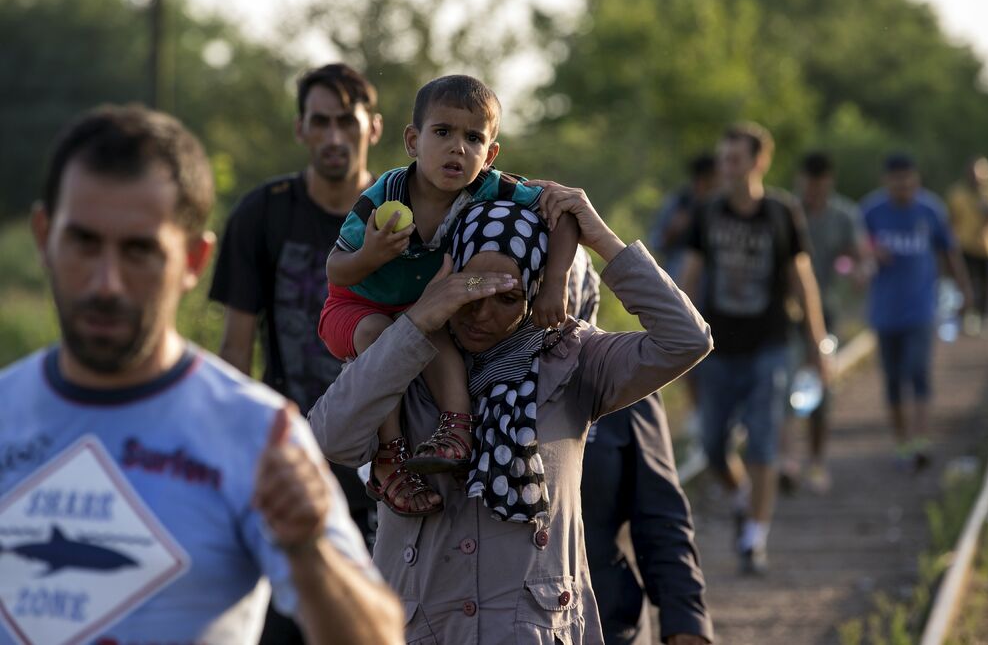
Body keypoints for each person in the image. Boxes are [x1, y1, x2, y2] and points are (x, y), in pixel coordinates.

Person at [0, 104, 402, 644]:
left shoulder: (258, 434)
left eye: (139, 250)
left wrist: (311, 553)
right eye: (83, 243)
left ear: (193, 259)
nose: (106, 283)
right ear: (44, 237)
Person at [308, 183, 712, 643]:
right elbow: (328, 440)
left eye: (507, 298)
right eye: (469, 291)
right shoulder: (402, 355)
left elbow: (686, 340)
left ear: (536, 291)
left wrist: (600, 238)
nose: (482, 314)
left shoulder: (572, 360)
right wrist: (418, 322)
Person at [319, 75, 578, 517]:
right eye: (442, 132)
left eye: (473, 138)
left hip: (423, 309)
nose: (457, 148)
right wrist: (371, 254)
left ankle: (457, 430)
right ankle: (389, 459)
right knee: (385, 334)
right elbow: (335, 269)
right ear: (413, 141)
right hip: (356, 307)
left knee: (433, 334)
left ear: (490, 154)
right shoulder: (384, 197)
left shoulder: (491, 187)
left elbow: (566, 214)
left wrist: (555, 284)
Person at [209, 63, 380, 535]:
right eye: (320, 122)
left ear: (374, 128)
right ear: (300, 129)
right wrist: (230, 456)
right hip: (288, 464)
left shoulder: (402, 211)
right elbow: (235, 350)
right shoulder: (263, 212)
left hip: (386, 469)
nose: (334, 137)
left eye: (347, 122)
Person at [680, 122, 828, 575]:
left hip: (770, 343)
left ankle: (754, 538)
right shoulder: (709, 211)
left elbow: (801, 279)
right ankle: (743, 497)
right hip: (718, 347)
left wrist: (817, 343)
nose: (727, 167)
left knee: (764, 438)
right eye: (723, 159)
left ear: (759, 161)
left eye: (735, 159)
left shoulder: (781, 212)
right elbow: (690, 275)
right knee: (712, 444)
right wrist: (677, 331)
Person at [571, 250, 713, 644]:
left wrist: (685, 619)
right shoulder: (465, 386)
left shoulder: (618, 378)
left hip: (606, 618)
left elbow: (659, 512)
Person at [861, 153, 973, 469]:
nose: (904, 187)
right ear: (887, 181)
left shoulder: (930, 210)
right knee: (893, 380)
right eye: (897, 181)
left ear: (916, 179)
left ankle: (922, 438)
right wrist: (869, 255)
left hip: (921, 309)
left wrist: (964, 288)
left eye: (908, 180)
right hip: (884, 311)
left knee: (918, 371)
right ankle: (902, 441)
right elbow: (855, 253)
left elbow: (949, 250)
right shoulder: (871, 211)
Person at [779, 151, 869, 494]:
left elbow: (860, 254)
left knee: (821, 387)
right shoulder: (786, 211)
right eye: (808, 184)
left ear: (828, 182)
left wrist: (859, 270)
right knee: (784, 382)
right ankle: (787, 460)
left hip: (824, 311)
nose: (813, 191)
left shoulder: (843, 215)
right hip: (787, 312)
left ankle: (816, 462)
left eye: (819, 185)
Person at [946, 156, 988, 335]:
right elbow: (952, 220)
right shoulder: (957, 194)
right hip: (965, 246)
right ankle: (968, 317)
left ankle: (984, 318)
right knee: (966, 283)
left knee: (986, 285)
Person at [650, 153, 718, 280]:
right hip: (677, 275)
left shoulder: (723, 206)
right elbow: (656, 242)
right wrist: (674, 230)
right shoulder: (680, 202)